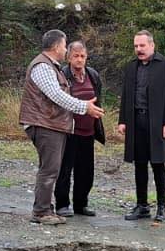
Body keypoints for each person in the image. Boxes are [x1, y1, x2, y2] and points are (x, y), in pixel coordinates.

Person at [19, 29, 104, 225]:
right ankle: (41, 212)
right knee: (50, 169)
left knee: (52, 168)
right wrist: (84, 107)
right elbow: (56, 95)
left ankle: (47, 209)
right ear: (57, 46)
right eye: (65, 46)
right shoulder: (42, 66)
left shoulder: (51, 66)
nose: (65, 50)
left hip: (52, 124)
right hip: (45, 124)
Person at [116, 29, 165, 221]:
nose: (138, 49)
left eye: (142, 45)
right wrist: (122, 120)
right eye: (136, 46)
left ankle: (162, 208)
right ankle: (142, 206)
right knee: (139, 164)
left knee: (158, 164)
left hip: (157, 122)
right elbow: (126, 95)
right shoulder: (131, 66)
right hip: (136, 120)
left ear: (152, 45)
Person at [54, 41, 105, 217]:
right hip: (69, 130)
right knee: (64, 169)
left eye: (82, 56)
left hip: (88, 131)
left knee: (86, 171)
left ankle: (81, 204)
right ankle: (62, 204)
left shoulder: (93, 75)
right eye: (76, 56)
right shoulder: (62, 75)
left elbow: (97, 98)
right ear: (69, 57)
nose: (79, 60)